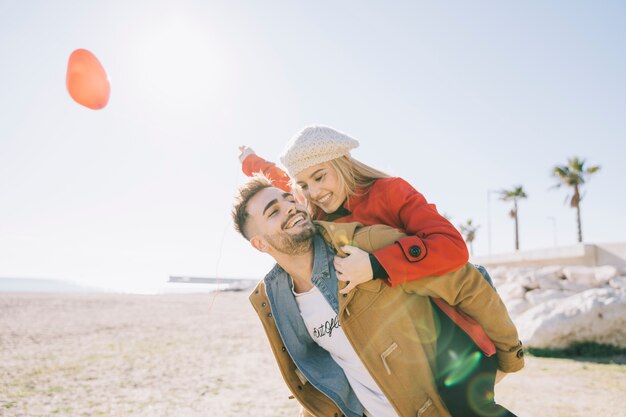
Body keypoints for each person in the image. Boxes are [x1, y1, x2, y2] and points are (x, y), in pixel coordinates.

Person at [232, 176, 524, 417]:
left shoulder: (364, 244)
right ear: (260, 244)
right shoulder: (277, 302)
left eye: (288, 199)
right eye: (273, 212)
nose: (291, 207)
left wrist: (509, 357)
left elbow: (465, 283)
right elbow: (322, 373)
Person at [238, 125, 496, 356]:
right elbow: (281, 181)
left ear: (342, 163)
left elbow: (452, 246)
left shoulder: (389, 191)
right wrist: (251, 160)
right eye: (304, 186)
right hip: (389, 339)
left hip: (440, 330)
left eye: (320, 177)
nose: (314, 193)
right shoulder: (314, 211)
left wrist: (375, 265)